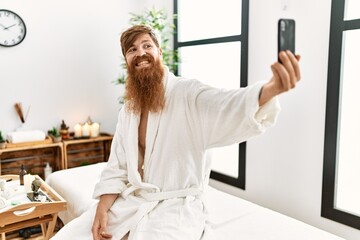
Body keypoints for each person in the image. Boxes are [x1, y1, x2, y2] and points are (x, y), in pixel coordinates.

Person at [52, 25, 301, 240]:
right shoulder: (129, 109)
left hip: (177, 207)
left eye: (147, 46)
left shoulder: (186, 93)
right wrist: (102, 209)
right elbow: (117, 165)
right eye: (132, 50)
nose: (140, 54)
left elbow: (224, 104)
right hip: (134, 202)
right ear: (127, 61)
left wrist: (269, 90)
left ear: (159, 52)